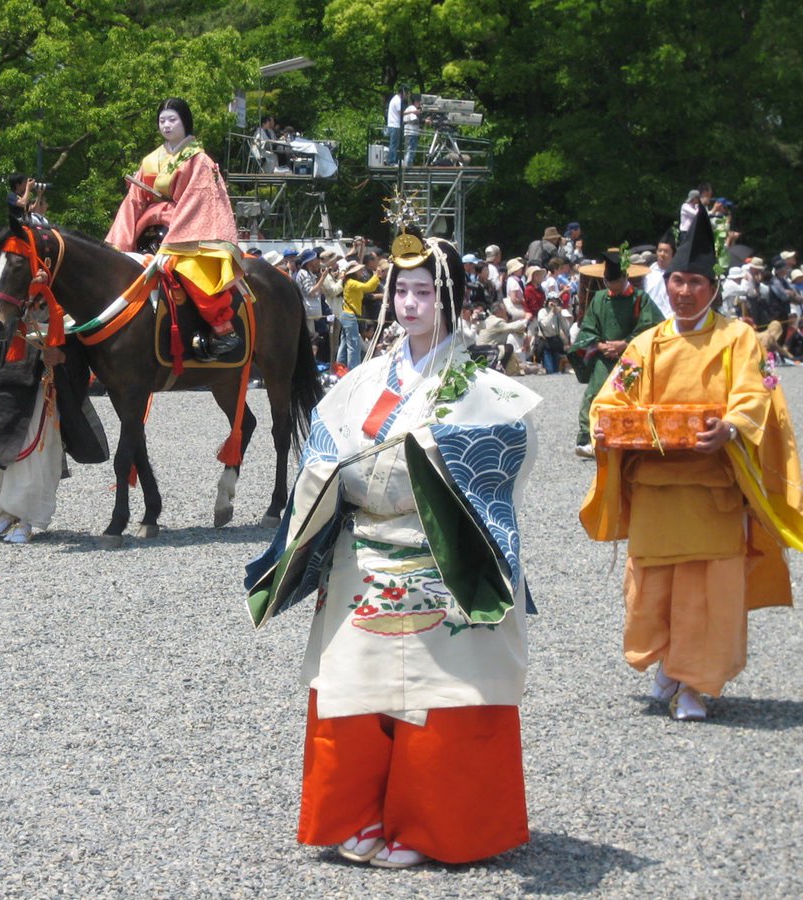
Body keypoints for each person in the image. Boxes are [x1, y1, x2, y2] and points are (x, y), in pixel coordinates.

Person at [246, 227, 540, 869]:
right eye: (401, 291)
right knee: (353, 682)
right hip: (365, 550)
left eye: (424, 292)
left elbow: (507, 464)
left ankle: (433, 825)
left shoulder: (481, 385)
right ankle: (356, 816)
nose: (409, 304)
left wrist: (435, 457)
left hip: (443, 552)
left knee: (443, 689)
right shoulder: (364, 378)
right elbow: (323, 444)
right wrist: (330, 472)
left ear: (449, 299)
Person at [580, 209, 803, 721]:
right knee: (652, 586)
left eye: (695, 282)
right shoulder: (647, 343)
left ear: (713, 287)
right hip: (657, 487)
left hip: (712, 486)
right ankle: (668, 662)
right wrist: (605, 427)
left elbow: (754, 395)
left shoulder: (736, 338)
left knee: (708, 591)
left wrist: (730, 427)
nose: (684, 291)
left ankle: (693, 685)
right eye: (677, 280)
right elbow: (613, 399)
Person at [0, 308, 107, 544]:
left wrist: (62, 358)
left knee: (31, 459)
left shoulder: (60, 314)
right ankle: (7, 511)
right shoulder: (3, 311)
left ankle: (25, 517)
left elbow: (82, 359)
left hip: (40, 394)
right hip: (0, 394)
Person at [105, 97, 244, 361]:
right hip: (147, 232)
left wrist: (172, 243)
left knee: (192, 272)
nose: (166, 125)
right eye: (162, 121)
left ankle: (222, 329)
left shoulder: (199, 160)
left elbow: (197, 201)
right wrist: (118, 244)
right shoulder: (150, 161)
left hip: (186, 232)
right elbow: (134, 201)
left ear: (185, 122)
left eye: (172, 120)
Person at [569, 250, 663, 457]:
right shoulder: (599, 298)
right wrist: (599, 345)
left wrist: (625, 343)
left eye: (616, 283)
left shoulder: (640, 298)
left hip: (631, 356)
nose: (612, 287)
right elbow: (589, 326)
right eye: (608, 283)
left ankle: (629, 436)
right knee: (594, 394)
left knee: (627, 396)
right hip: (604, 356)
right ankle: (587, 438)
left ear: (625, 277)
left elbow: (651, 327)